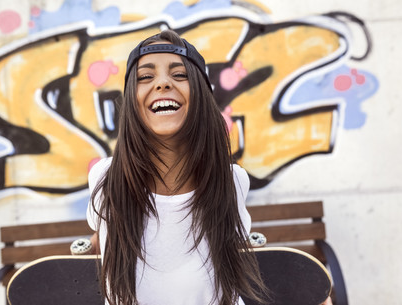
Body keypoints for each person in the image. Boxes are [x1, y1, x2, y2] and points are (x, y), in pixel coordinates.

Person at [86, 30, 268, 305]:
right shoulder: (105, 179)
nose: (162, 83)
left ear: (201, 95)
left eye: (180, 74)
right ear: (132, 102)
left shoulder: (232, 180)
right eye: (146, 77)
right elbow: (101, 237)